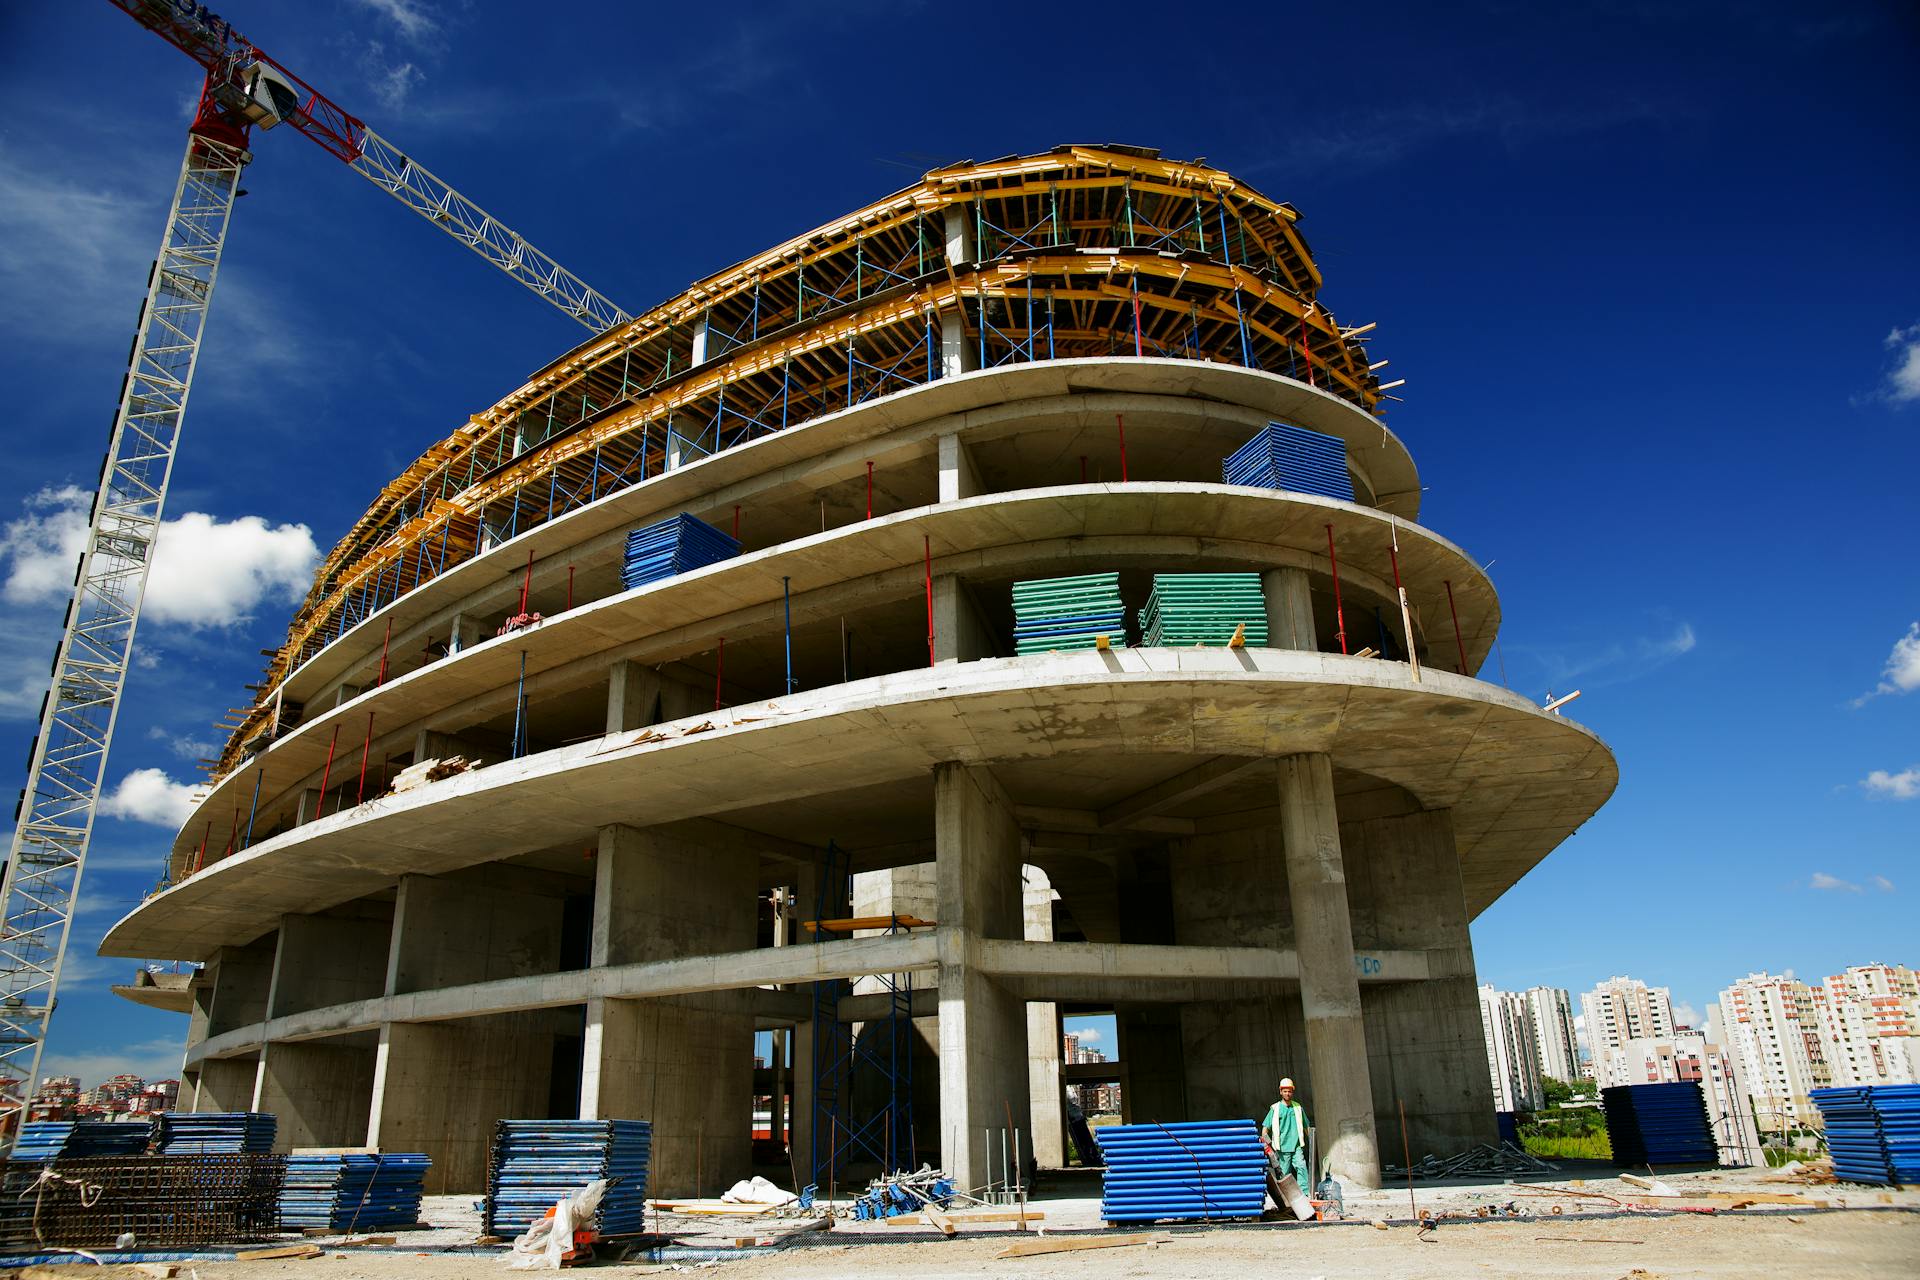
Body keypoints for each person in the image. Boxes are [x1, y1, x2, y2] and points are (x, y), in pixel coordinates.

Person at [1261, 1077, 1310, 1190]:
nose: (1287, 1093)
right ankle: (1286, 1196)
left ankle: (1304, 1193)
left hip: (1297, 1146)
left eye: (1289, 1091)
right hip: (1282, 1148)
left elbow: (1306, 1126)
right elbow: (1265, 1129)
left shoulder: (1298, 1107)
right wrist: (1267, 1146)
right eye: (1285, 1091)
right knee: (1284, 1174)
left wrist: (1312, 1142)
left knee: (1301, 1167)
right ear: (1281, 1092)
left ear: (1292, 1092)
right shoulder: (1275, 1108)